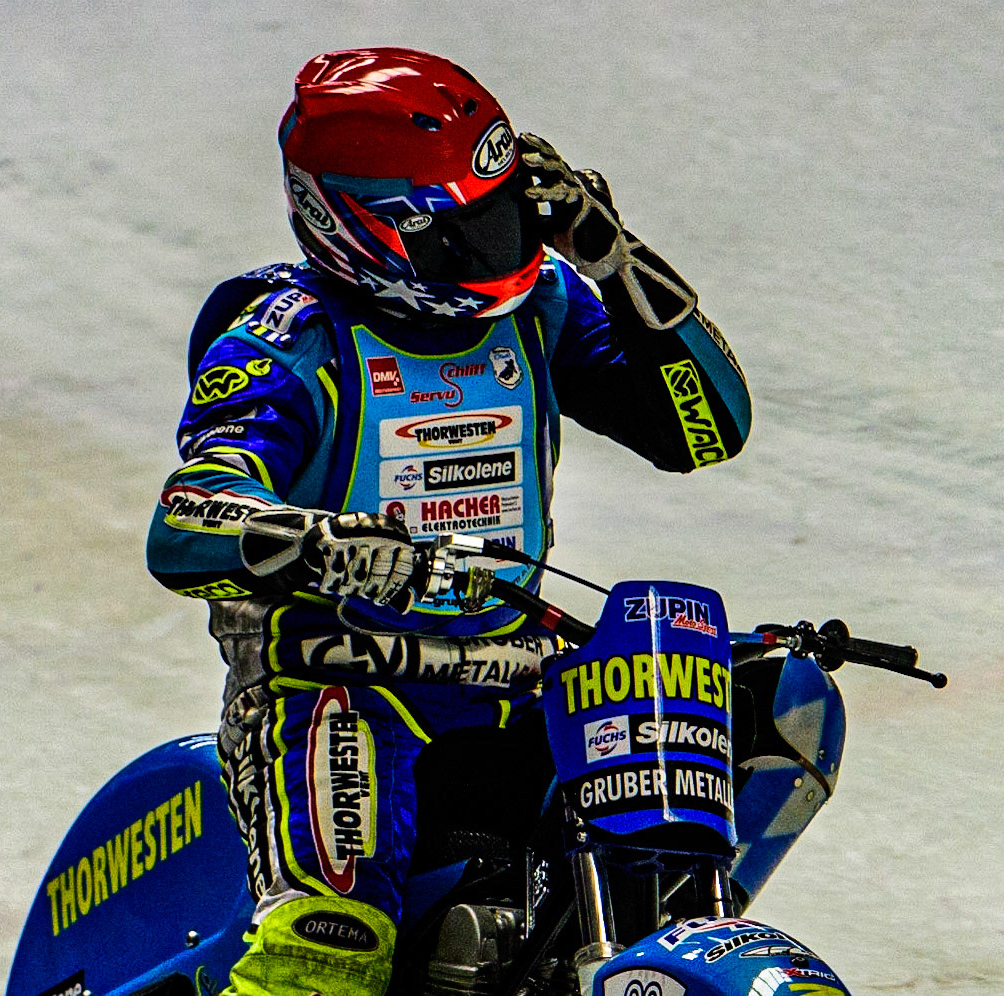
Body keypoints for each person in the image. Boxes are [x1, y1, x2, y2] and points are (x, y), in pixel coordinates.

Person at [146, 47, 825, 996]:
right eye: (467, 229)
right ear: (363, 231)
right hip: (342, 688)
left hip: (519, 671)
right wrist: (330, 548)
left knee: (751, 754)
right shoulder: (285, 341)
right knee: (327, 952)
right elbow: (183, 527)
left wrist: (615, 257)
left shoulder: (540, 304)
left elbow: (702, 430)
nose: (507, 246)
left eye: (509, 210)